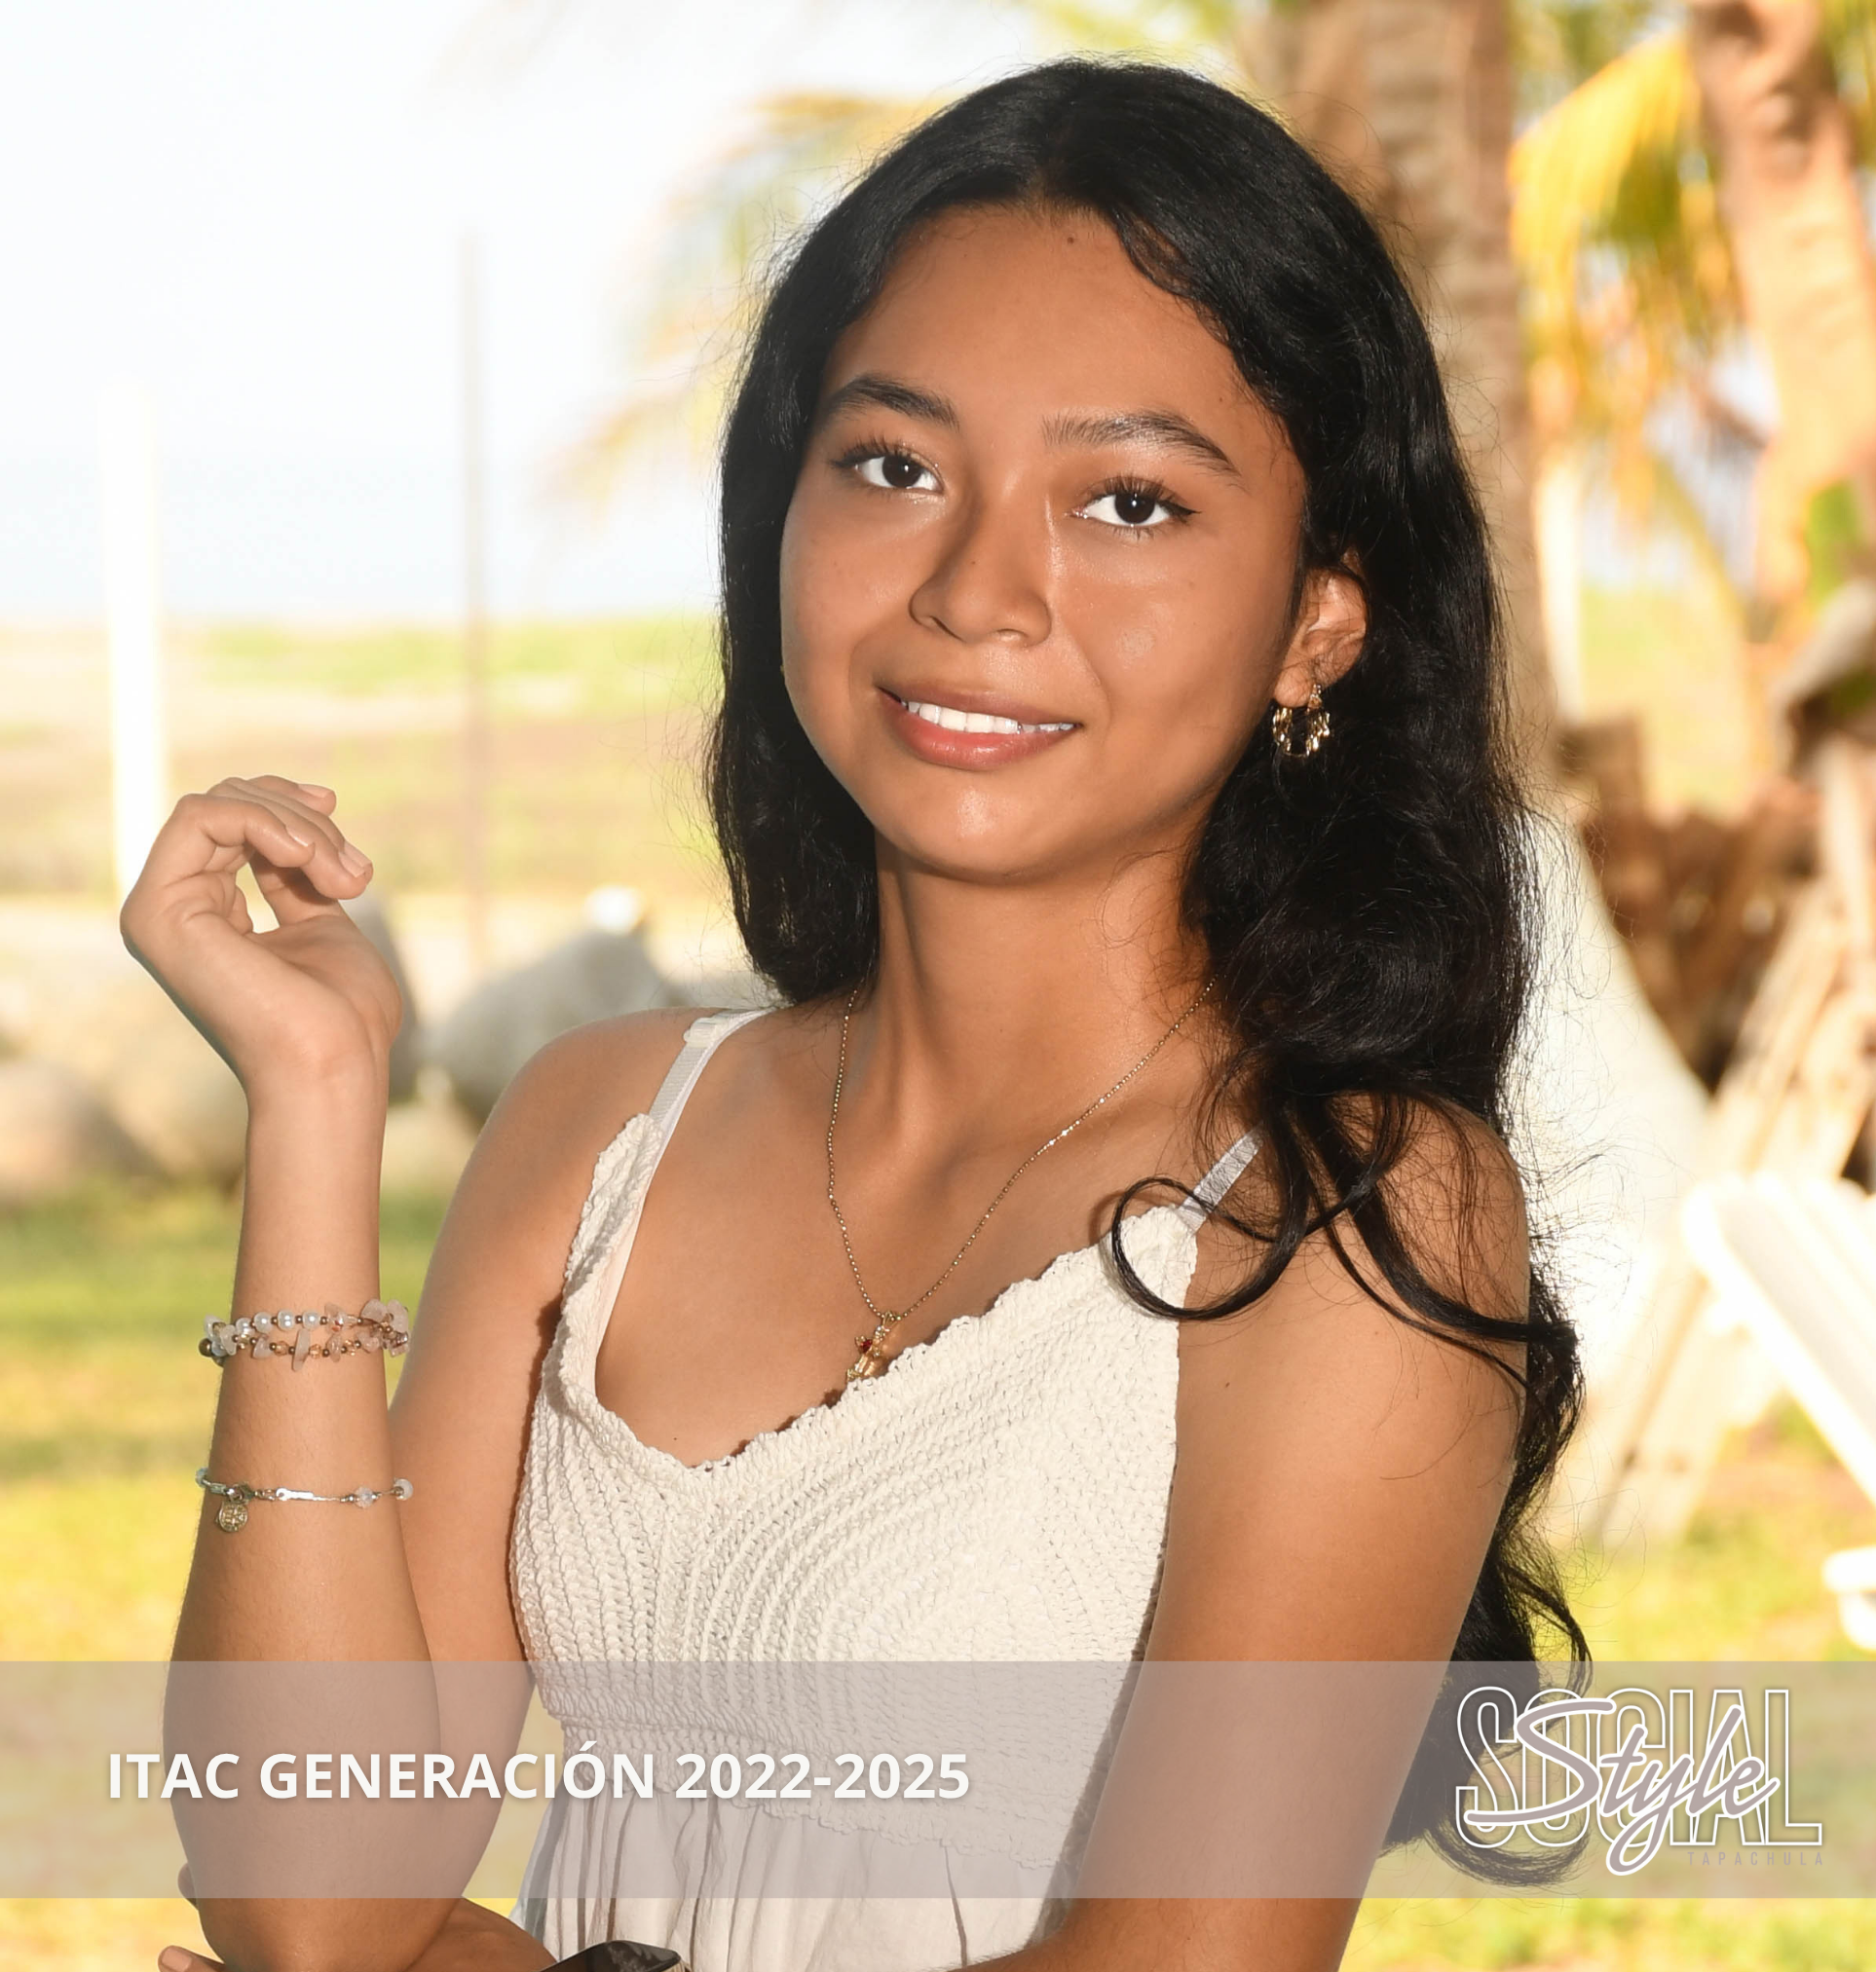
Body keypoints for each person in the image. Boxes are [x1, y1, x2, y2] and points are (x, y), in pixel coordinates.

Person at [130, 56, 1584, 1972]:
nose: (978, 592)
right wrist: (317, 1094)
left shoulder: (1348, 1208)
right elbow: (308, 1893)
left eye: (1129, 501)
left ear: (1321, 620)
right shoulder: (599, 1128)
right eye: (895, 467)